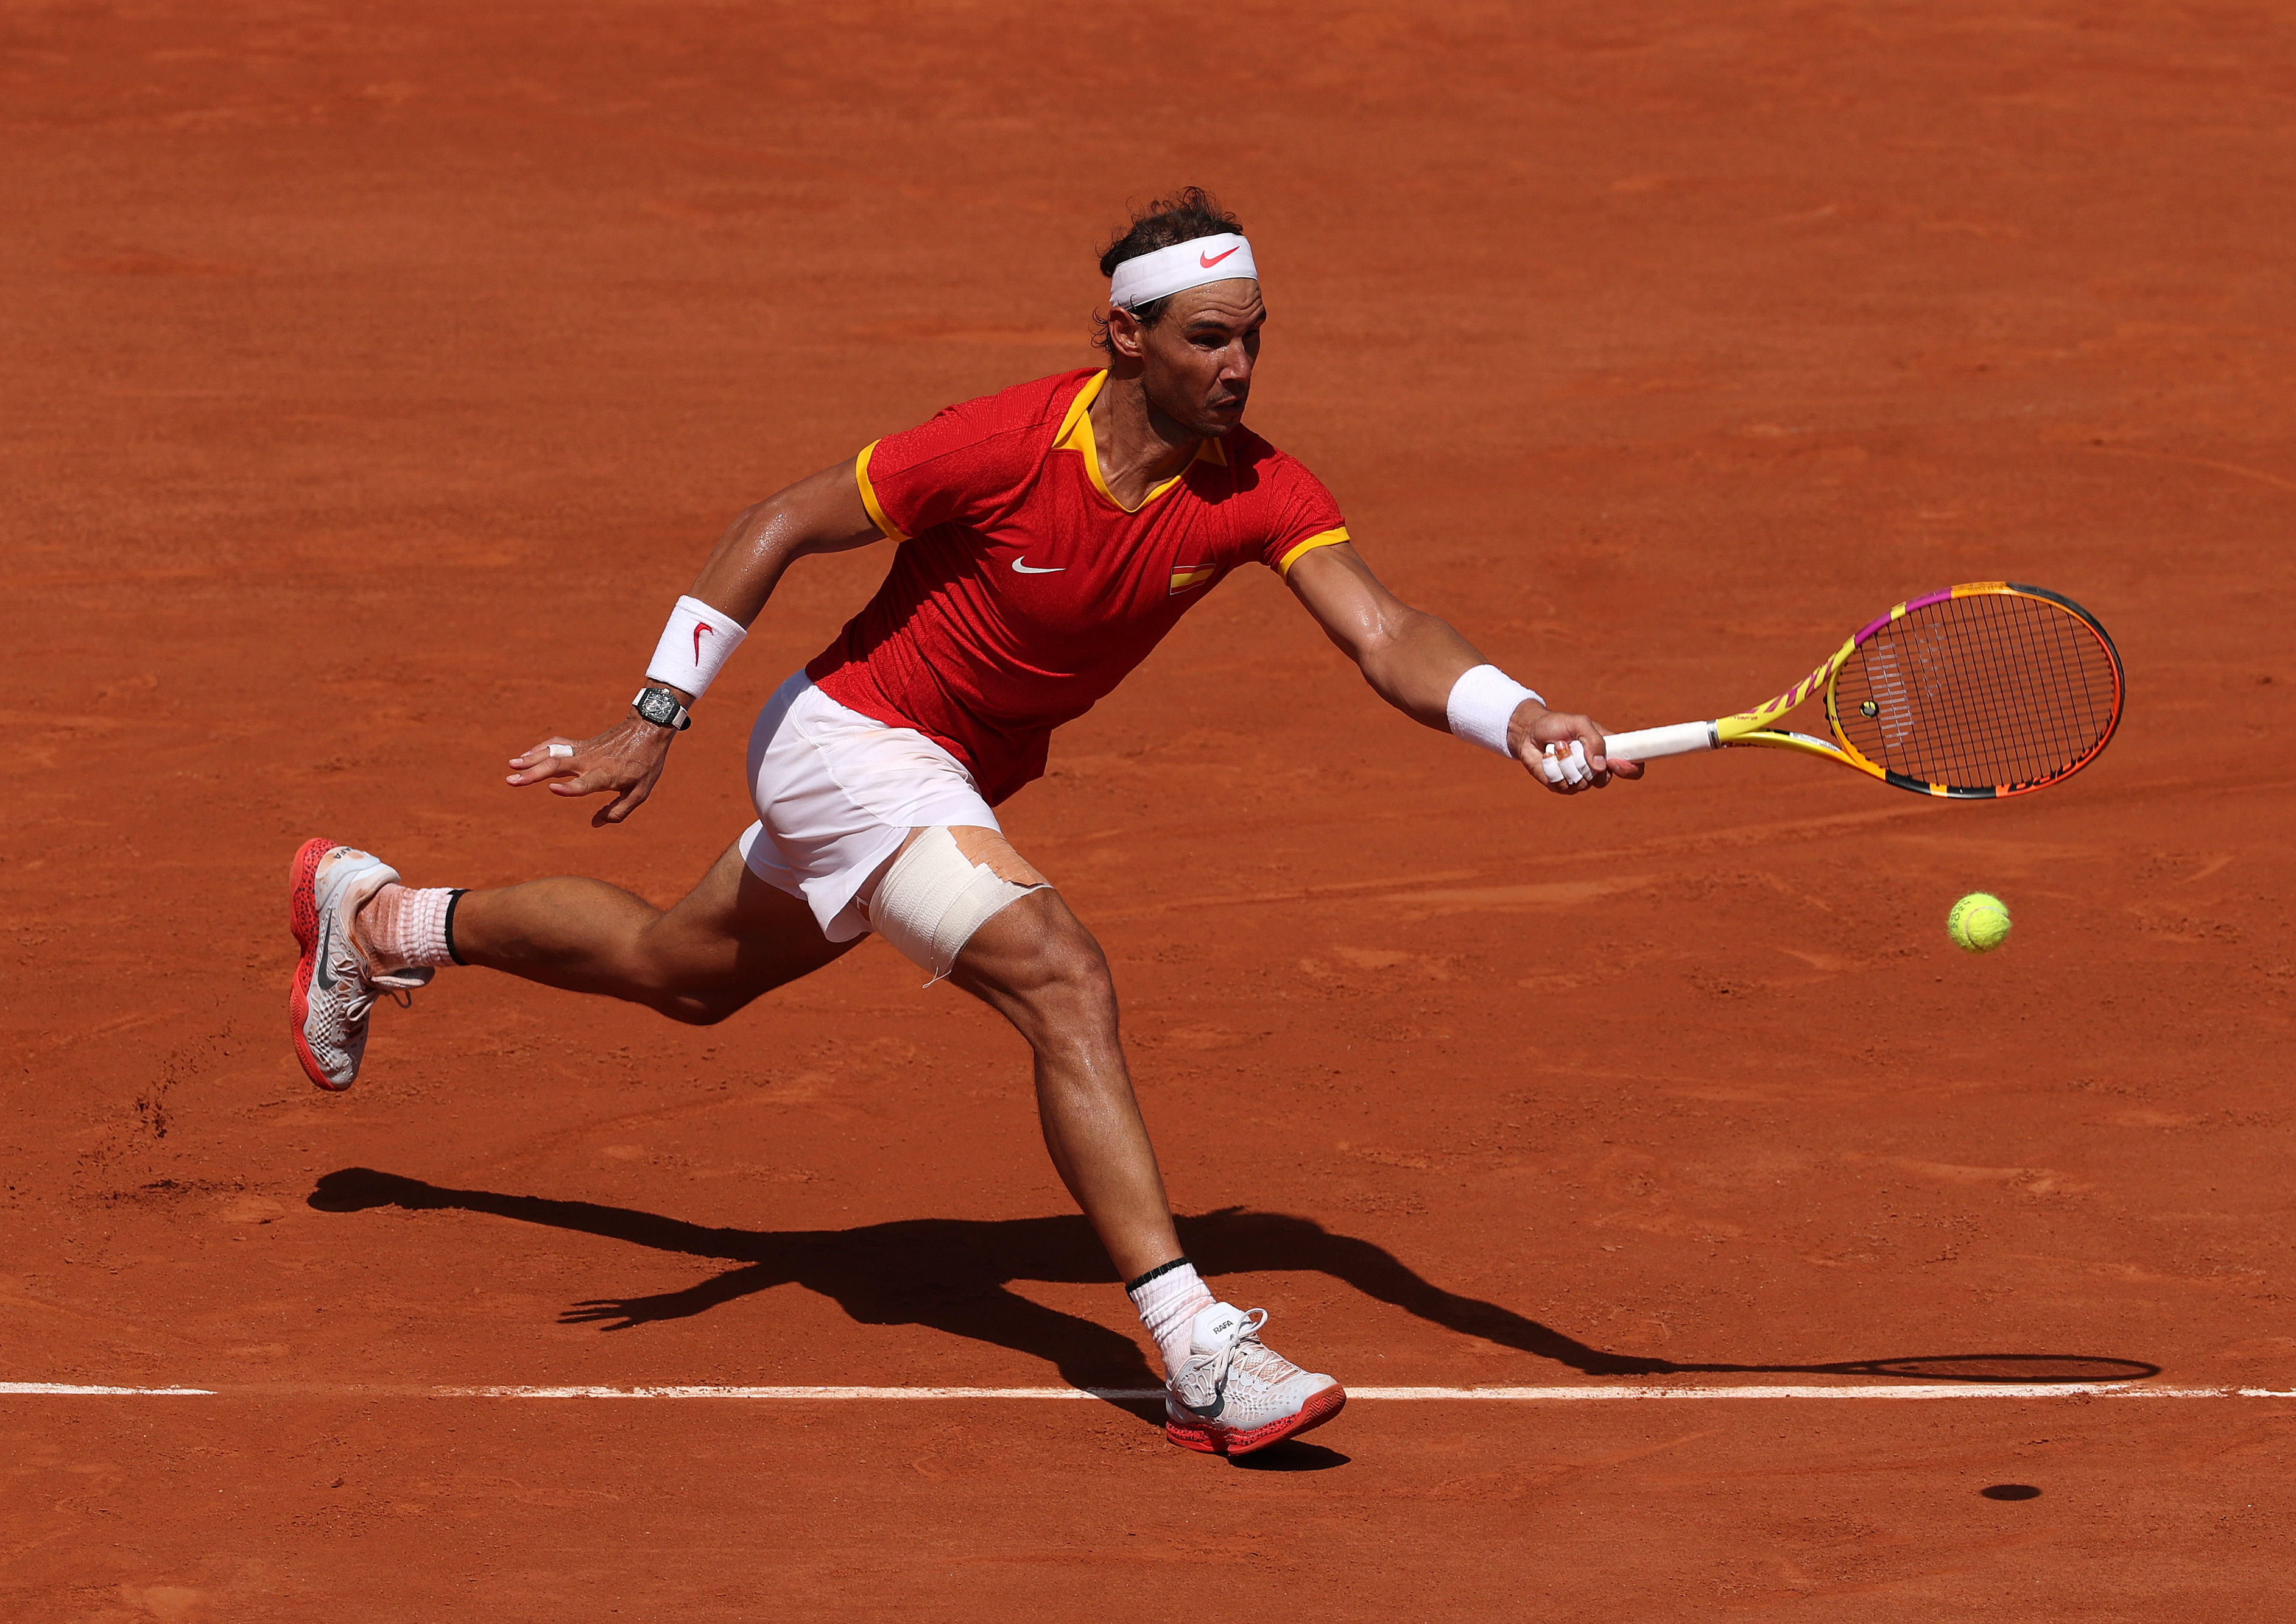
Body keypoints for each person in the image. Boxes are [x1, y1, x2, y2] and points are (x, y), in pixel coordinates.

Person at [288, 188, 1641, 1458]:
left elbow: (1387, 630)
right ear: (1128, 333)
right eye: (1208, 339)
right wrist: (654, 710)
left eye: (1252, 341)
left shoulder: (1255, 489)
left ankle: (379, 916)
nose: (1237, 369)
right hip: (851, 740)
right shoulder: (1000, 442)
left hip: (940, 780)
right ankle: (1195, 1351)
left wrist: (1511, 712)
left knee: (673, 971)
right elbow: (777, 522)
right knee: (1061, 976)